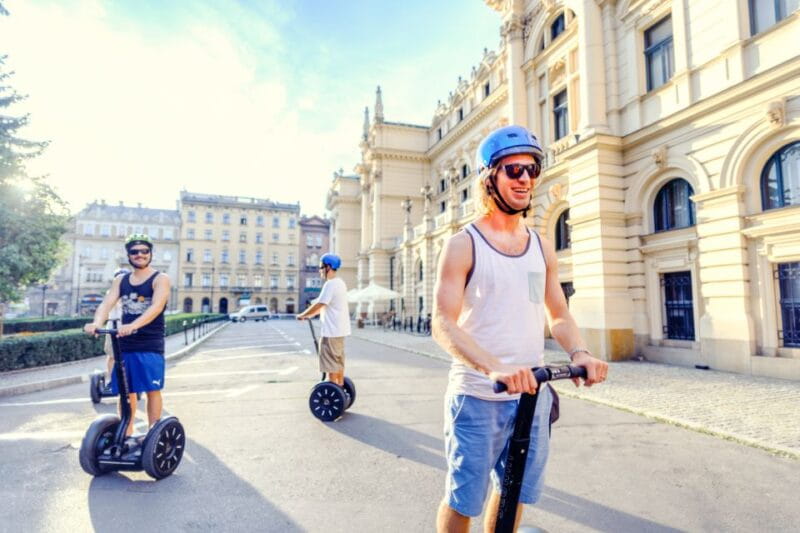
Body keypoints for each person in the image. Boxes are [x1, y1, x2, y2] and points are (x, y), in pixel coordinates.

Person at [432, 125, 609, 532]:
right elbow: (441, 321)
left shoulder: (541, 245)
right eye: (513, 170)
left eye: (532, 169)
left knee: (512, 491)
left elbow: (558, 313)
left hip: (532, 396)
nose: (525, 178)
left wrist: (579, 353)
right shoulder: (464, 244)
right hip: (478, 397)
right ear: (488, 178)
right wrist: (493, 367)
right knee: (463, 501)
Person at [84, 234, 171, 445]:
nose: (139, 255)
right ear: (128, 255)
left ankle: (153, 434)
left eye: (144, 251)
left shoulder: (161, 279)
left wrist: (134, 325)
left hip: (150, 342)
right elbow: (106, 304)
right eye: (134, 252)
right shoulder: (121, 280)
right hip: (125, 342)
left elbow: (156, 307)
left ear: (150, 254)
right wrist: (97, 323)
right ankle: (127, 433)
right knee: (127, 391)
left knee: (152, 389)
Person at [296, 253, 351, 387]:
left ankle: (332, 389)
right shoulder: (340, 283)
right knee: (338, 361)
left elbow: (320, 304)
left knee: (331, 364)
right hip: (340, 331)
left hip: (331, 332)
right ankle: (340, 387)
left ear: (328, 267)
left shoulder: (330, 284)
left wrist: (303, 315)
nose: (319, 270)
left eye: (321, 267)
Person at [101, 268, 130, 387]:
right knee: (112, 355)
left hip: (128, 328)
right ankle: (110, 379)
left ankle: (127, 379)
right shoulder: (111, 293)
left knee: (128, 355)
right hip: (113, 327)